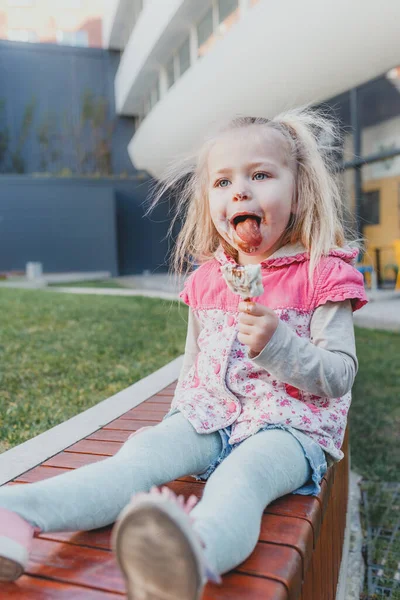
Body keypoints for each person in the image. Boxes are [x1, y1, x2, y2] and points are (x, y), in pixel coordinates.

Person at [0, 109, 367, 600]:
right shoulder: (208, 280)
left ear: (298, 190)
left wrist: (279, 345)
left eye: (260, 175)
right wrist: (175, 423)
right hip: (210, 414)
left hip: (289, 427)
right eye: (222, 181)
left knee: (243, 479)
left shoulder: (323, 274)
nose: (239, 190)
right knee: (140, 456)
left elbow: (340, 375)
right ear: (208, 198)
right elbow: (194, 365)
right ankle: (18, 512)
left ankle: (190, 554)